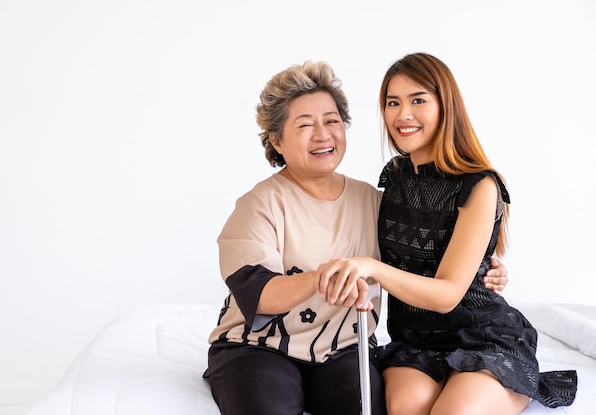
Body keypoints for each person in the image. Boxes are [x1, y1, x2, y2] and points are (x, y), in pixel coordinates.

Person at [203, 60, 508, 415]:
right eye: (305, 125)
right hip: (259, 347)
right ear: (276, 140)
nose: (322, 135)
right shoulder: (259, 205)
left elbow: (423, 256)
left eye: (331, 121)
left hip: (343, 349)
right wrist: (324, 276)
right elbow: (259, 293)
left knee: (368, 404)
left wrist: (484, 267)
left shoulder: (376, 201)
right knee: (269, 403)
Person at [315, 53, 577, 415]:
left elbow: (448, 295)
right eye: (393, 103)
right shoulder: (394, 177)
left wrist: (371, 268)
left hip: (484, 338)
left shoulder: (480, 185)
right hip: (416, 341)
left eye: (418, 100)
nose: (402, 114)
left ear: (445, 106)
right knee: (407, 407)